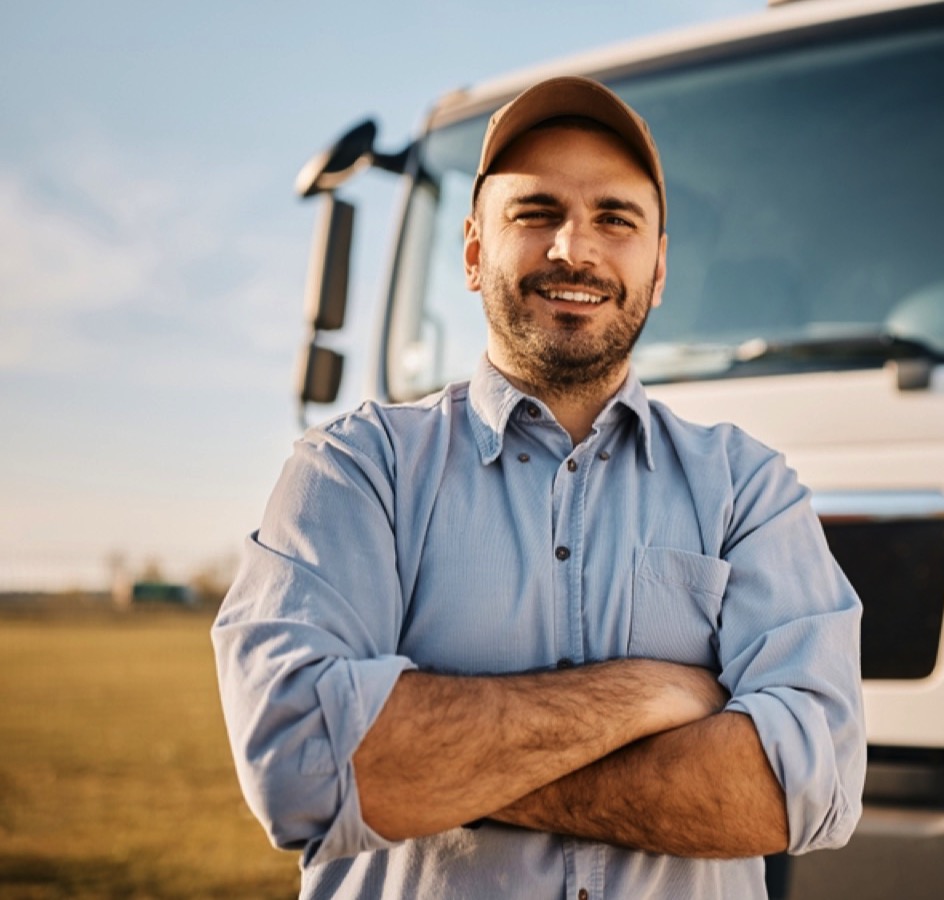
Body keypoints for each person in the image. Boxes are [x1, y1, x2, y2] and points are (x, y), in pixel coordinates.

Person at [213, 75, 865, 899]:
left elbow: (801, 784)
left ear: (659, 268)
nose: (575, 249)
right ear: (475, 251)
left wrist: (440, 773)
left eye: (615, 219)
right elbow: (301, 764)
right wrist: (654, 691)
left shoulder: (749, 489)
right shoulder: (355, 470)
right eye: (536, 213)